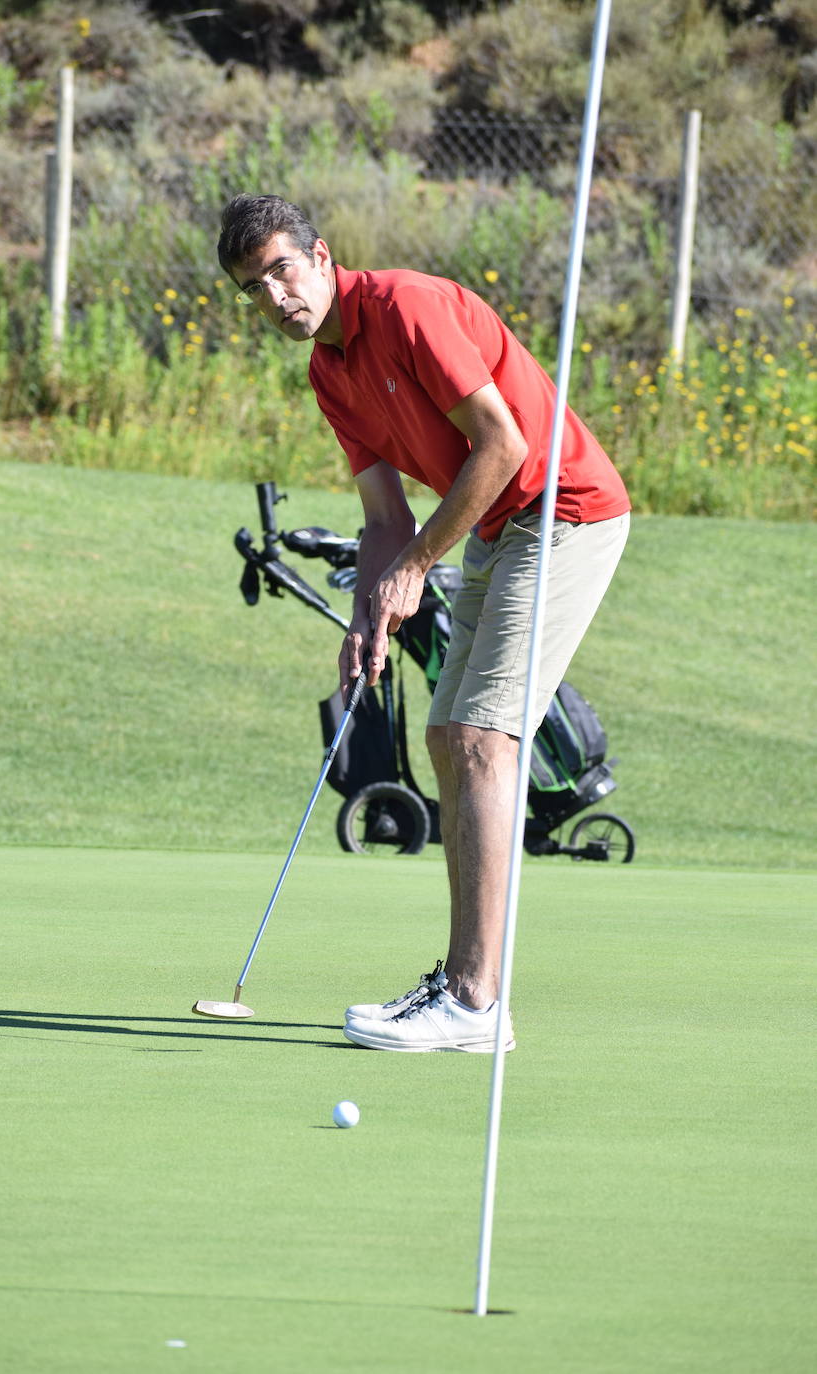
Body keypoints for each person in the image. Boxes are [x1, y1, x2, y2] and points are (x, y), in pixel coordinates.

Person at [217, 194, 630, 1054]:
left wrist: (414, 570)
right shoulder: (329, 376)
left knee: (483, 735)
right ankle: (461, 985)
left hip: (566, 512)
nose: (275, 298)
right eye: (253, 289)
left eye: (283, 271)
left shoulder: (406, 308)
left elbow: (504, 445)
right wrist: (372, 613)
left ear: (322, 256)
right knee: (449, 734)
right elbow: (383, 522)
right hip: (494, 526)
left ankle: (476, 1004)